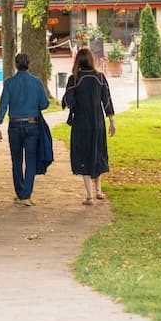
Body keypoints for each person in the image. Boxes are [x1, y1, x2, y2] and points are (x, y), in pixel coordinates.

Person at [62, 46, 116, 205]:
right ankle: (98, 190)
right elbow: (107, 100)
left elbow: (69, 101)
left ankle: (89, 196)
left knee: (83, 154)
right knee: (98, 151)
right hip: (98, 121)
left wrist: (66, 100)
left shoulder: (74, 79)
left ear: (78, 61)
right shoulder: (100, 77)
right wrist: (112, 121)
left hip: (81, 123)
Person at [0, 52, 50, 206]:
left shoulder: (9, 83)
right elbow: (44, 104)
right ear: (29, 64)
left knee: (16, 160)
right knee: (30, 160)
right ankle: (26, 195)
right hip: (32, 125)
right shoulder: (37, 82)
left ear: (16, 64)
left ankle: (20, 193)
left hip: (14, 125)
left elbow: (3, 105)